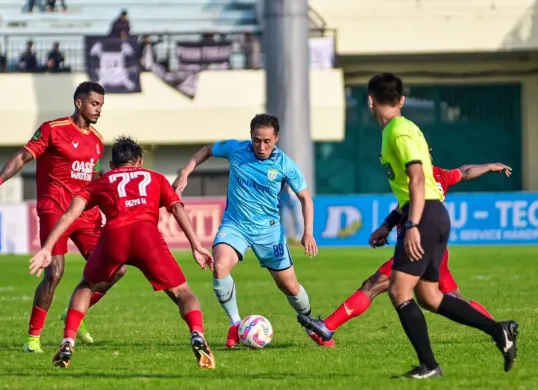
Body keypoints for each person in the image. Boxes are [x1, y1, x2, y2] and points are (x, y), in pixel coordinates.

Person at [304, 73, 518, 379]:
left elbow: (417, 179)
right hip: (431, 215)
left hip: (425, 216)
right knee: (430, 297)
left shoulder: (398, 132)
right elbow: (416, 184)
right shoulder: (402, 129)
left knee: (397, 290)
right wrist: (390, 225)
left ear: (370, 100)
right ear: (402, 100)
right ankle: (500, 330)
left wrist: (413, 224)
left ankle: (429, 366)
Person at [29, 136, 216, 370]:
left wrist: (47, 247)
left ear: (111, 164)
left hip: (114, 238)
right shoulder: (155, 177)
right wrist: (196, 245)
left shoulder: (102, 181)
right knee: (182, 292)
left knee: (86, 286)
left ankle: (68, 341)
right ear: (139, 161)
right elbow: (177, 207)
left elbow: (68, 214)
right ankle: (197, 334)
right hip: (147, 237)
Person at [298, 159, 512, 340]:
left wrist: (388, 226)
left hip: (417, 246)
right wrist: (489, 166)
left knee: (374, 284)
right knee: (451, 298)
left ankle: (328, 327)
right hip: (436, 249)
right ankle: (499, 330)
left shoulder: (416, 180)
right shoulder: (439, 176)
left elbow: (408, 205)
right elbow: (464, 172)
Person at [172, 114, 332, 348]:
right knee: (220, 266)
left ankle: (311, 324)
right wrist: (186, 172)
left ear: (276, 138)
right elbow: (207, 150)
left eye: (267, 141)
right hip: (235, 226)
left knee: (289, 285)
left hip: (269, 232)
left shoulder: (285, 164)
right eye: (257, 140)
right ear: (251, 137)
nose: (261, 146)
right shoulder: (236, 149)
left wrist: (308, 232)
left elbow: (305, 198)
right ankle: (236, 324)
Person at [0, 82, 125, 353]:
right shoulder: (52, 130)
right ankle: (33, 338)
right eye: (94, 104)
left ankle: (74, 314)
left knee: (116, 268)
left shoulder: (97, 140)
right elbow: (22, 157)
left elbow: (91, 178)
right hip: (55, 210)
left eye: (101, 105)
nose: (98, 110)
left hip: (86, 214)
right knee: (55, 273)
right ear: (79, 103)